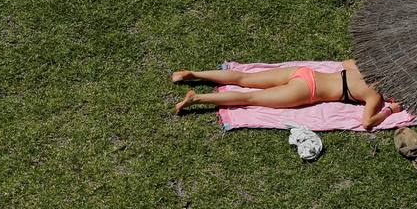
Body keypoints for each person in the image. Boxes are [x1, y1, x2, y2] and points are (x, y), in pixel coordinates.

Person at [171, 59, 402, 130]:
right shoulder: (374, 97)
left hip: (304, 73)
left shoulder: (364, 70)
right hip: (307, 91)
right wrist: (389, 110)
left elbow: (345, 62)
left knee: (243, 78)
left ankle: (193, 74)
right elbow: (368, 122)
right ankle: (197, 99)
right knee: (248, 99)